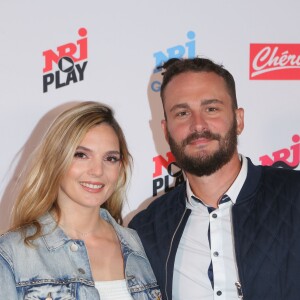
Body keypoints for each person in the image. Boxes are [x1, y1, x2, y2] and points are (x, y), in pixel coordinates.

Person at [129, 57, 300, 300]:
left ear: (238, 119)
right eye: (182, 113)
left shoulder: (294, 195)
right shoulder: (147, 229)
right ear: (166, 130)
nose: (198, 125)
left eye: (211, 109)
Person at [0, 101, 161, 300]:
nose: (97, 171)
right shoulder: (12, 253)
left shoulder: (139, 246)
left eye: (110, 158)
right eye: (82, 155)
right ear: (56, 159)